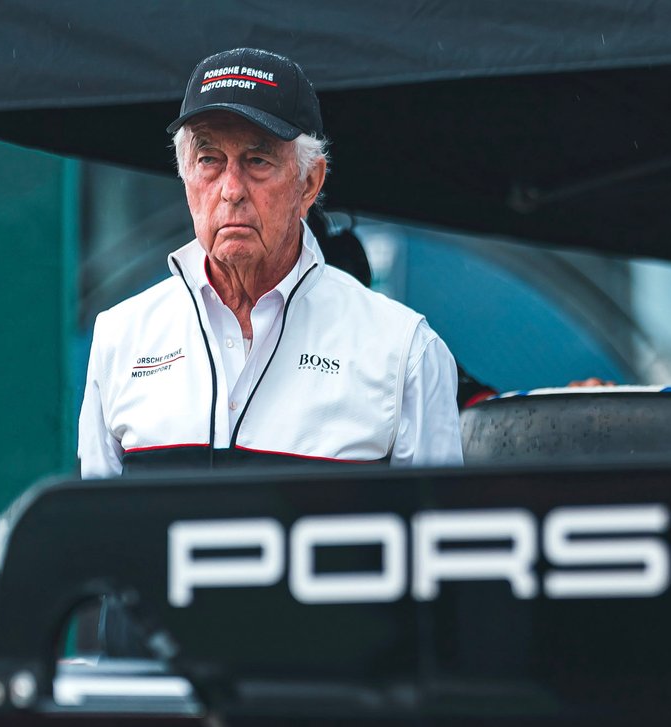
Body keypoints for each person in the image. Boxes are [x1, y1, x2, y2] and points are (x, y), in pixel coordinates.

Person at [78, 47, 463, 477]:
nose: (231, 190)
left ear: (309, 184)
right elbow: (97, 539)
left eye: (257, 161)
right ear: (186, 178)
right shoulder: (121, 338)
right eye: (209, 160)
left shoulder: (405, 351)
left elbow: (438, 536)